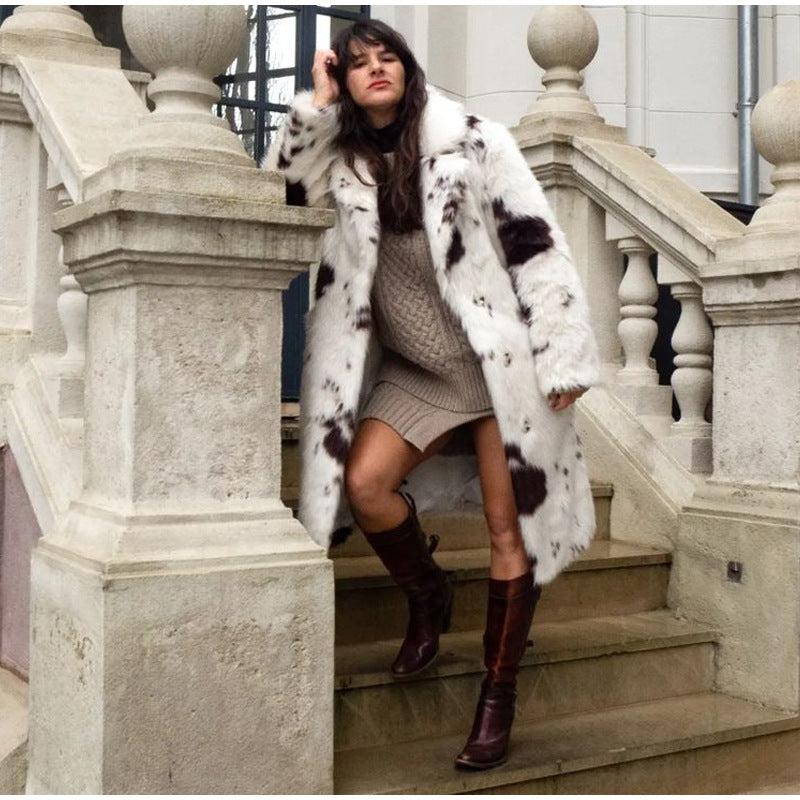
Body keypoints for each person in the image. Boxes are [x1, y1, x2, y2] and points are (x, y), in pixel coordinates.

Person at [264, 19, 600, 771]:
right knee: (365, 485)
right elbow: (283, 196)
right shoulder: (340, 158)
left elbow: (535, 242)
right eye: (358, 63)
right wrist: (315, 108)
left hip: (496, 370)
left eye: (388, 56)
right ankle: (428, 594)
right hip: (415, 372)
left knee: (508, 530)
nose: (376, 69)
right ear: (345, 80)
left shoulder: (474, 141)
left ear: (408, 68)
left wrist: (562, 353)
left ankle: (496, 695)